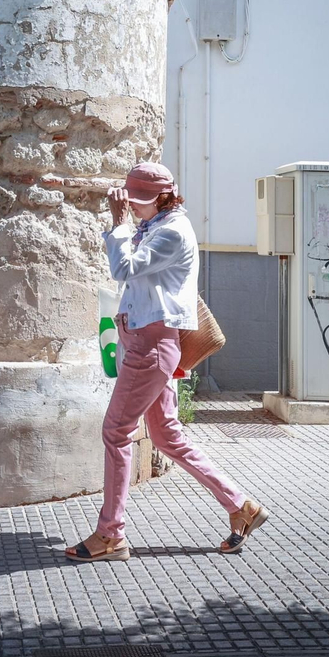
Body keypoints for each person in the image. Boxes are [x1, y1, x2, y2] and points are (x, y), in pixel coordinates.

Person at [65, 162, 270, 562]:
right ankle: (240, 506)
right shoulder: (156, 226)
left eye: (140, 202)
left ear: (163, 197)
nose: (134, 208)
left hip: (151, 347)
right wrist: (127, 225)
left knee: (116, 432)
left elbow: (123, 267)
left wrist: (119, 223)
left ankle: (111, 534)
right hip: (146, 344)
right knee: (166, 436)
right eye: (131, 201)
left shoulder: (172, 231)